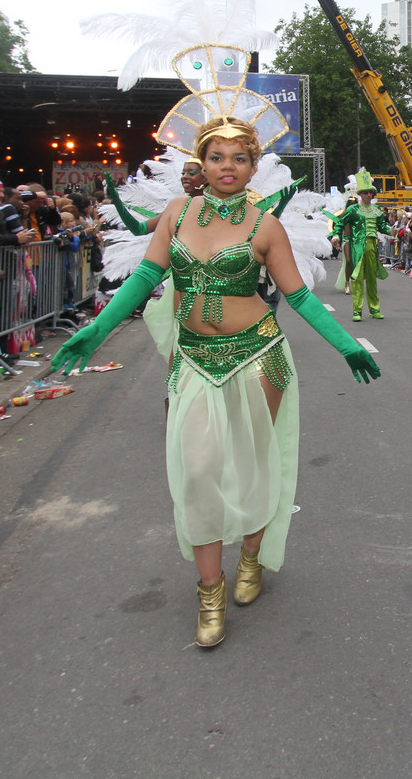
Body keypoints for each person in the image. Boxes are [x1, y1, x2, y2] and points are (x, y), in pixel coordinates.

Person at [51, 115, 380, 647]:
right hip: (194, 358)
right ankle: (210, 589)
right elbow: (145, 276)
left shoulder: (265, 226)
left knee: (252, 465)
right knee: (199, 470)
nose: (228, 167)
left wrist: (345, 344)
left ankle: (250, 556)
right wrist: (97, 329)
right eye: (217, 157)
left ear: (253, 167)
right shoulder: (176, 214)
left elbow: (298, 296)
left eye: (239, 158)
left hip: (259, 356)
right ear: (201, 165)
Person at [330, 170, 391, 322]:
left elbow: (382, 228)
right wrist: (336, 236)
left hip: (372, 247)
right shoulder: (353, 210)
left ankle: (374, 309)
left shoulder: (377, 211)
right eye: (365, 193)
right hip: (357, 247)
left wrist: (392, 231)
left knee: (371, 279)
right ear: (360, 194)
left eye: (371, 193)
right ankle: (357, 311)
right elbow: (340, 223)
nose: (369, 195)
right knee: (356, 279)